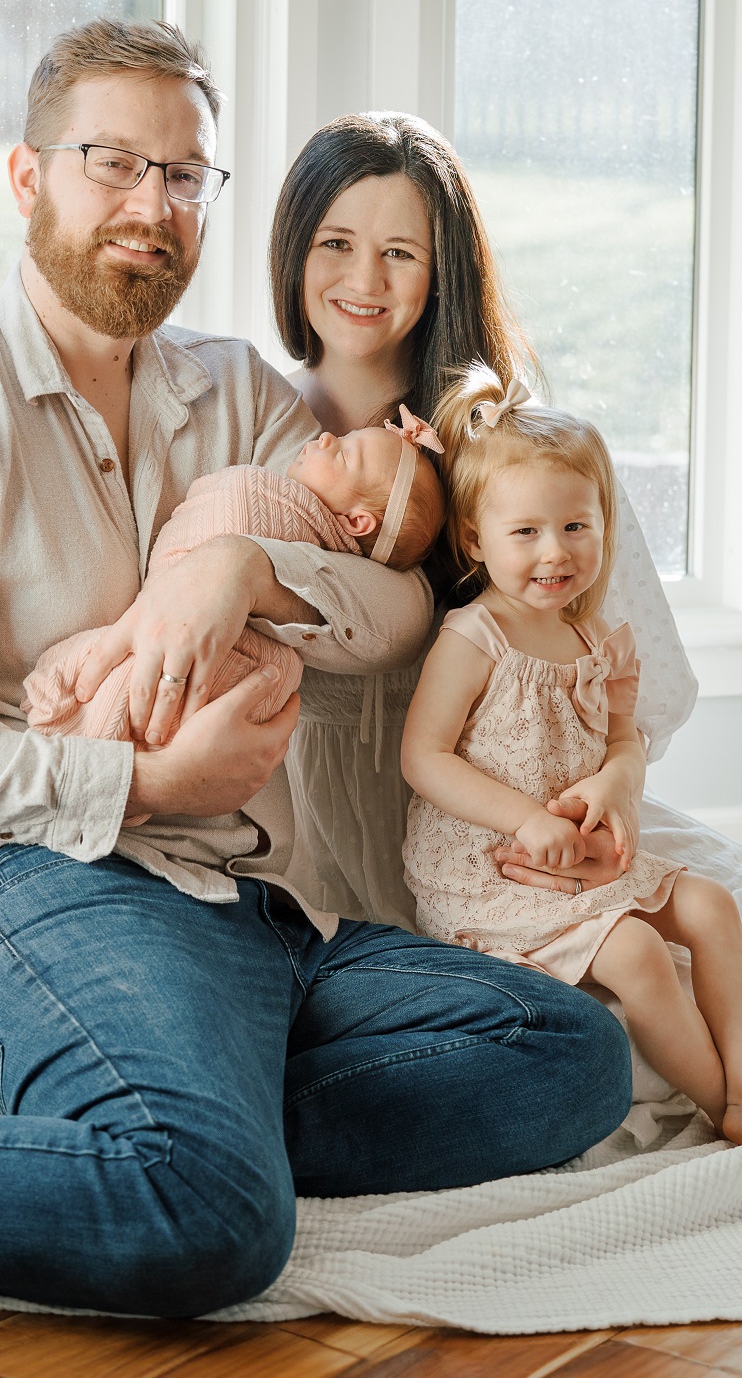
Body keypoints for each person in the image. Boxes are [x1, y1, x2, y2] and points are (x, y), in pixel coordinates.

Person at [0, 20, 631, 1315]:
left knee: (571, 1055)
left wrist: (244, 574)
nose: (150, 207)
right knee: (213, 1221)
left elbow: (396, 607)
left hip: (258, 914)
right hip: (26, 897)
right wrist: (140, 776)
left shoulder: (238, 398)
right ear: (26, 177)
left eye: (183, 177)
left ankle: (128, 1130)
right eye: (113, 163)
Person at [261, 111, 696, 929]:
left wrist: (606, 804)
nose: (364, 280)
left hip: (521, 835)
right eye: (335, 244)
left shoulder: (511, 452)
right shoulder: (256, 430)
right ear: (294, 248)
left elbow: (633, 693)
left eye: (400, 254)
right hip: (298, 837)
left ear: (442, 272)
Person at [400, 365, 742, 1149]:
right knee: (636, 953)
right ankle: (724, 1104)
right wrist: (526, 819)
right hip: (489, 864)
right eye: (524, 532)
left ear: (604, 525)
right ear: (474, 539)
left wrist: (617, 782)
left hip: (583, 849)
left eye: (575, 526)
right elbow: (423, 759)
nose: (553, 552)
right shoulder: (473, 639)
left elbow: (625, 737)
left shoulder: (597, 639)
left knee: (711, 905)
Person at [27, 409, 447, 743]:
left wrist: (244, 563)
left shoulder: (298, 512)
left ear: (355, 523)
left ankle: (91, 721)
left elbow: (406, 617)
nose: (326, 437)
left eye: (343, 453)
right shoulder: (278, 412)